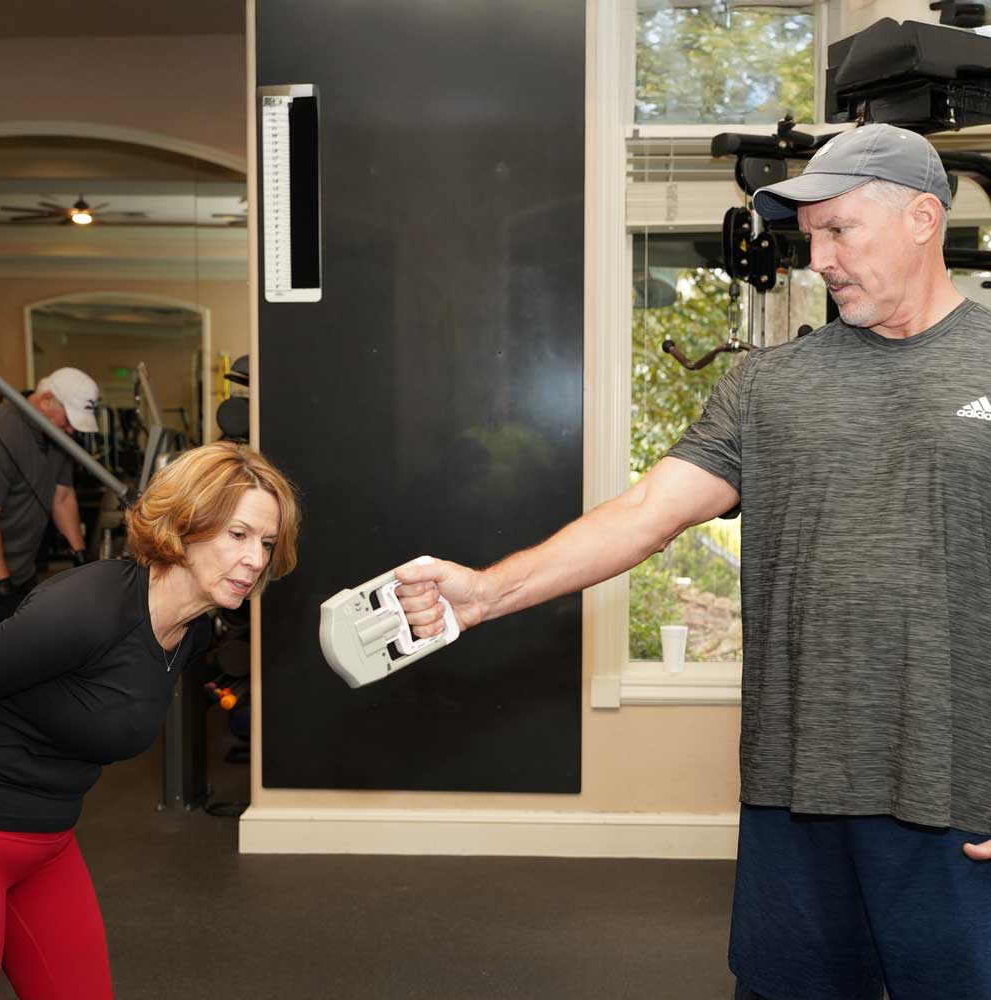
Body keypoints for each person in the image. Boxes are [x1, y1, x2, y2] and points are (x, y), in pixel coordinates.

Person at [396, 123, 991, 1000]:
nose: (818, 259)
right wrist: (485, 593)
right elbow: (644, 514)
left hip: (958, 793)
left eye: (839, 230)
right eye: (810, 235)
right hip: (799, 788)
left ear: (922, 217)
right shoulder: (770, 387)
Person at [0, 441, 299, 998]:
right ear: (185, 523)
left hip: (48, 843)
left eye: (266, 542)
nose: (256, 559)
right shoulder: (88, 608)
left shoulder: (193, 630)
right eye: (238, 534)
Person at [0, 367, 99, 626]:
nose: (71, 430)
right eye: (68, 419)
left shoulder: (56, 435)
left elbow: (62, 497)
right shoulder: (0, 433)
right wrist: (1, 584)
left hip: (23, 567)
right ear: (47, 400)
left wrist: (80, 555)